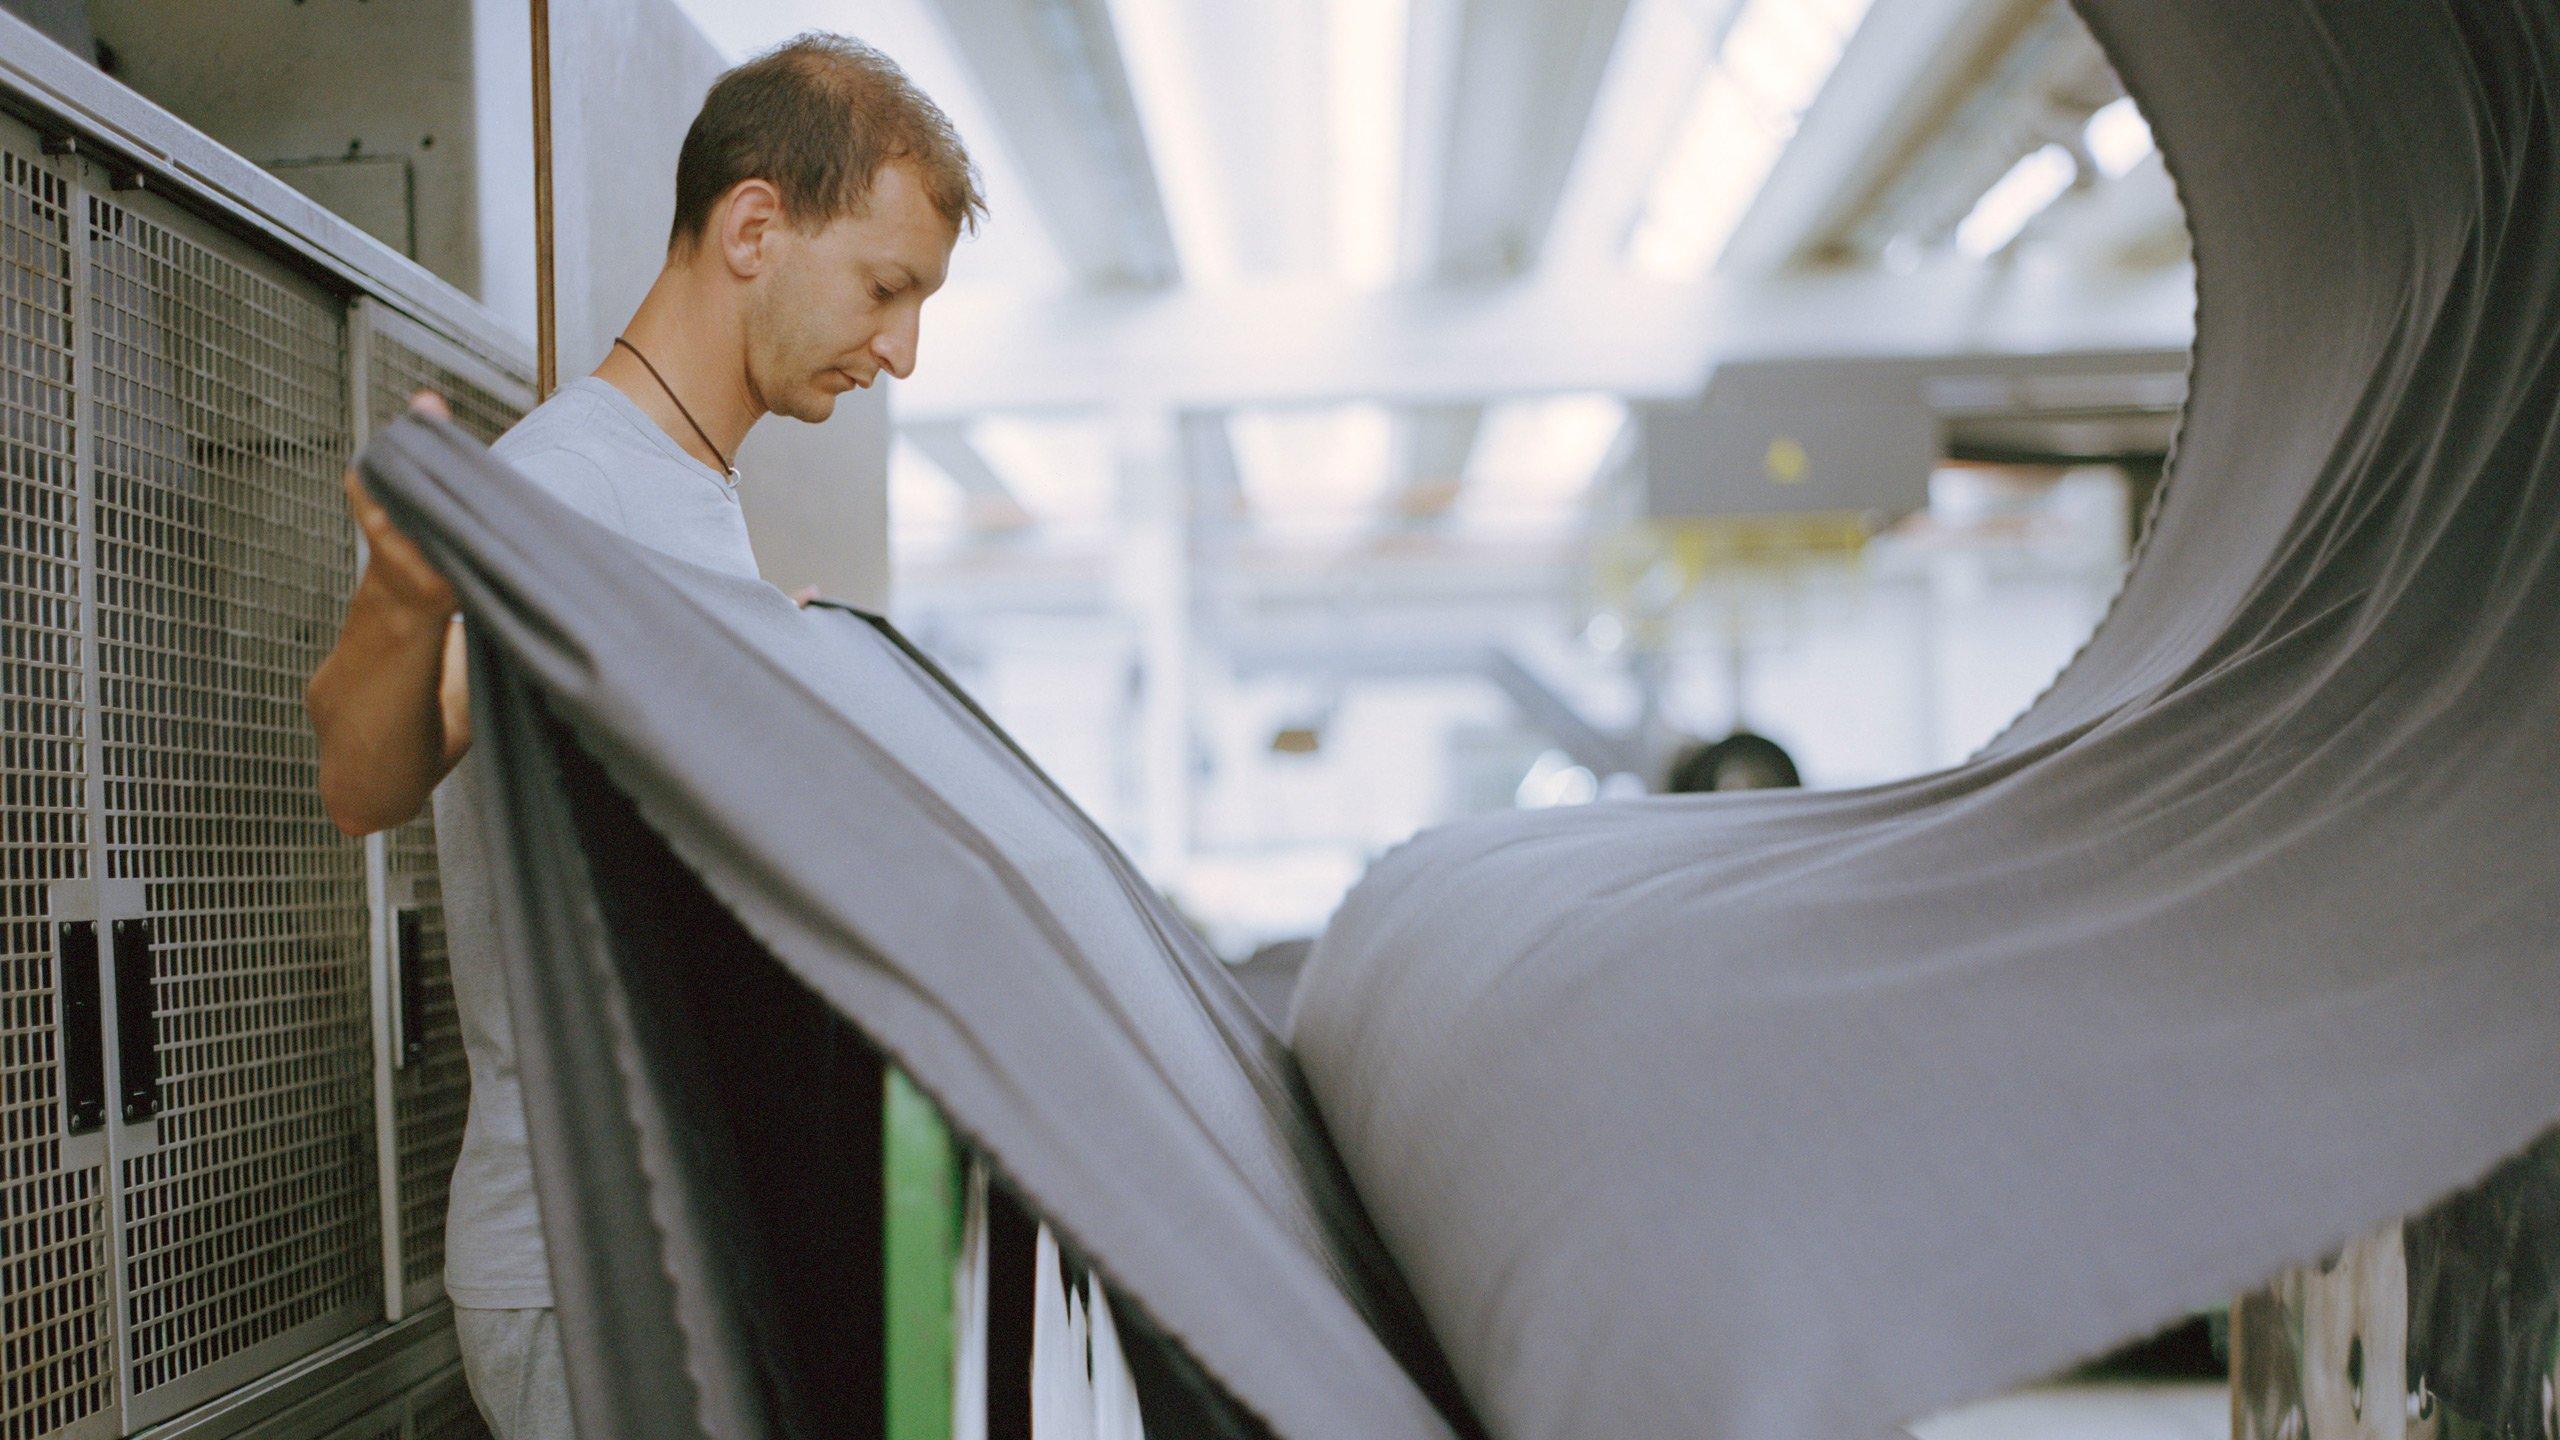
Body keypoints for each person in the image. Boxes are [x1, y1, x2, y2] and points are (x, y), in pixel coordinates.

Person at [304, 35, 982, 1439]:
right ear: (754, 227)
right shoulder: (567, 487)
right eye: (886, 287)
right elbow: (365, 780)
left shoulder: (683, 494)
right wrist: (404, 600)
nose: (902, 350)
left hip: (659, 1238)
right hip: (583, 1261)